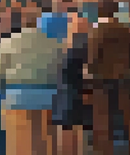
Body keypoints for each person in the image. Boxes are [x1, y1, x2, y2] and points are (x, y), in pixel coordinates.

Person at [0, 8, 61, 155]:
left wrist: (1, 93)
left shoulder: (7, 42)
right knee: (44, 142)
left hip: (16, 96)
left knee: (16, 144)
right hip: (48, 97)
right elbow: (60, 71)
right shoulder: (53, 43)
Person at [89, 0, 130, 155]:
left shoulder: (97, 31)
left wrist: (89, 71)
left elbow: (93, 56)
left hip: (101, 78)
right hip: (126, 77)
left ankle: (104, 151)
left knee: (103, 120)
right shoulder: (128, 31)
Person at [51, 15, 91, 155]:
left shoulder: (65, 48)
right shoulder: (84, 48)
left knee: (70, 132)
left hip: (70, 95)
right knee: (75, 132)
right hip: (74, 94)